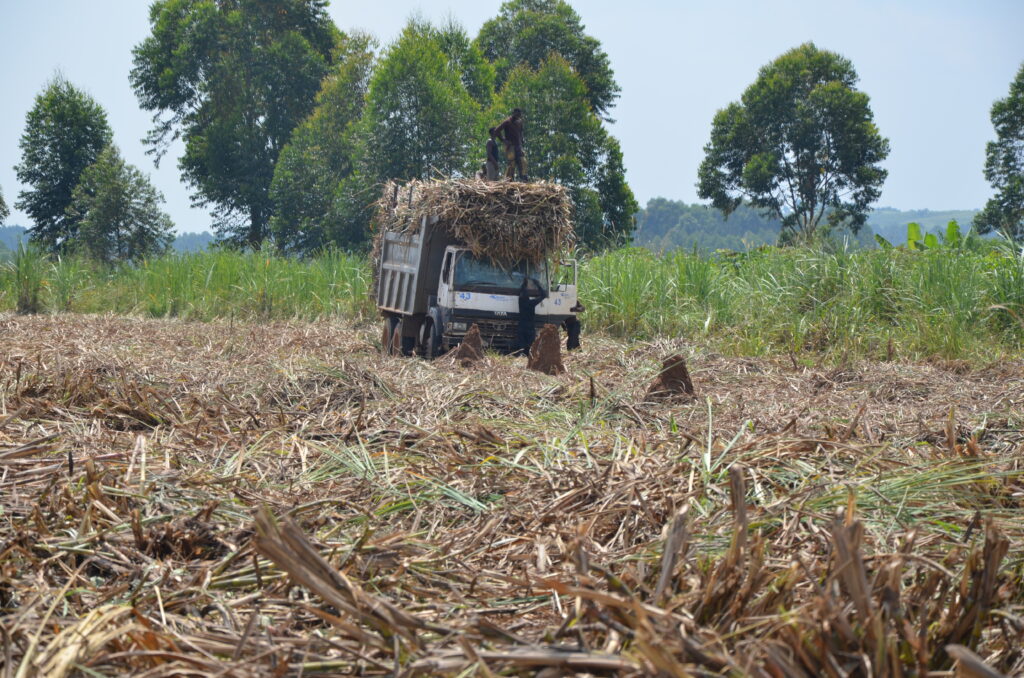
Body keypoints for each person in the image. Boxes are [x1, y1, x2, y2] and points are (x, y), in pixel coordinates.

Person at [494, 108, 527, 181]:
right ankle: (509, 180)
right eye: (517, 114)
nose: (519, 115)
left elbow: (521, 132)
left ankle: (523, 178)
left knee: (522, 161)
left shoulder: (520, 122)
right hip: (510, 146)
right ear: (513, 113)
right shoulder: (507, 121)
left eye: (520, 114)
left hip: (518, 146)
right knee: (512, 163)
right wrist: (503, 140)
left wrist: (522, 140)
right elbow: (496, 130)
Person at [517, 276, 547, 355]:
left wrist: (524, 282)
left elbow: (522, 291)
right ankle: (529, 355)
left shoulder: (520, 302)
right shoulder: (531, 303)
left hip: (521, 325)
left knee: (522, 343)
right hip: (529, 326)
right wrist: (538, 285)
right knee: (530, 344)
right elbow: (544, 295)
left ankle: (521, 354)